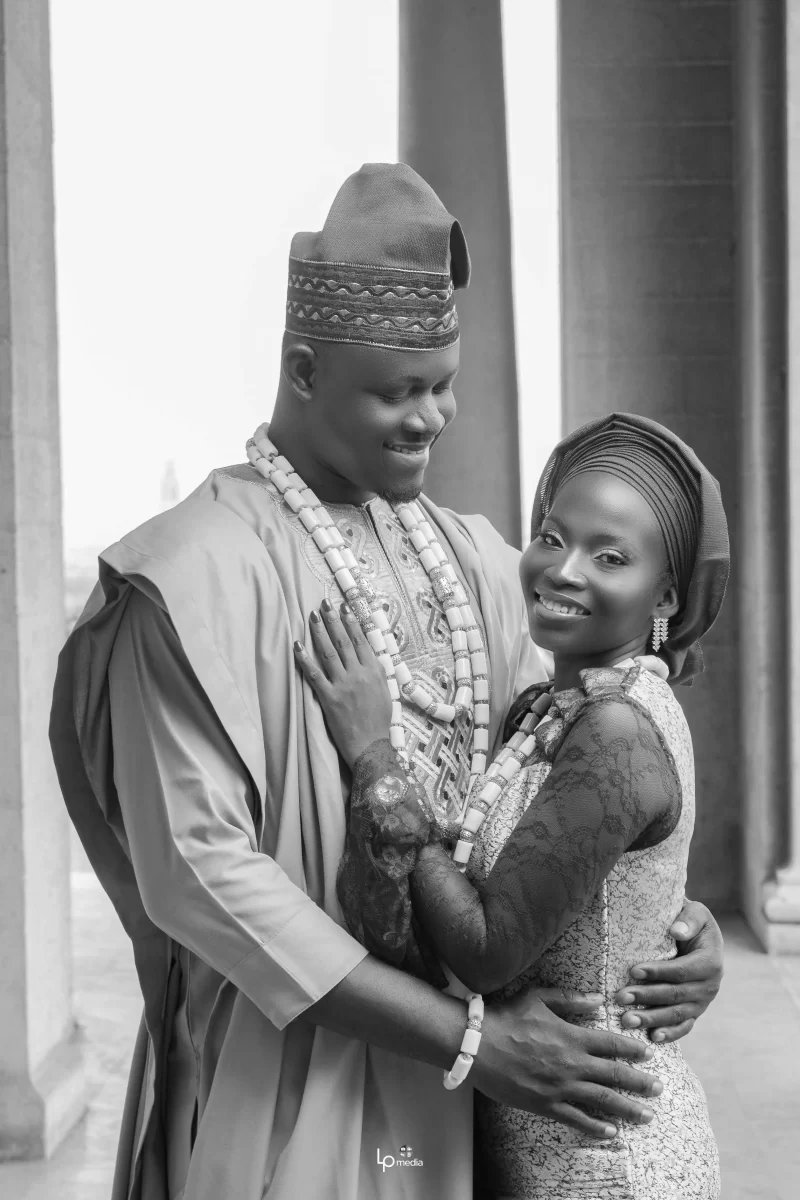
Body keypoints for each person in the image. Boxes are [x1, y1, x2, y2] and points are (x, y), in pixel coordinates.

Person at [49, 166, 724, 1200]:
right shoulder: (185, 580)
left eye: (442, 383)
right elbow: (203, 879)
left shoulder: (477, 559)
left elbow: (566, 791)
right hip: (293, 1087)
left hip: (476, 1109)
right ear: (303, 369)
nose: (432, 417)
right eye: (396, 390)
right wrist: (468, 1040)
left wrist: (667, 922)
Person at [296, 412, 727, 1198]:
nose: (564, 570)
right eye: (553, 538)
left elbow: (486, 948)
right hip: (545, 1136)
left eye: (610, 557)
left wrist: (374, 756)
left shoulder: (616, 730)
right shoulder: (553, 707)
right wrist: (685, 921)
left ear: (665, 592)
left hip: (606, 1159)